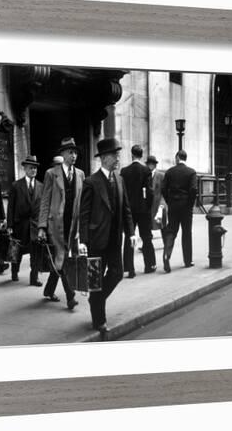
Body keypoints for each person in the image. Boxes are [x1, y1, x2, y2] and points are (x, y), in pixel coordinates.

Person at [79, 138, 135, 335]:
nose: (118, 158)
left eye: (118, 154)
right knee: (96, 280)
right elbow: (83, 214)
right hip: (96, 240)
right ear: (104, 158)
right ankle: (99, 321)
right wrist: (83, 241)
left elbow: (126, 208)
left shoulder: (119, 179)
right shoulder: (91, 182)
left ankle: (96, 299)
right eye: (115, 155)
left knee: (117, 273)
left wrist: (131, 233)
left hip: (114, 239)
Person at [38, 137, 83, 310]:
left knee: (62, 257)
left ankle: (49, 290)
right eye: (70, 152)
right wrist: (42, 226)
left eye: (75, 152)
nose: (74, 155)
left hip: (72, 225)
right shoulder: (51, 173)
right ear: (63, 154)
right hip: (55, 225)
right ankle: (70, 296)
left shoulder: (80, 174)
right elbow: (45, 201)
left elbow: (80, 202)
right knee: (62, 258)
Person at [7, 155, 43, 286]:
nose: (33, 170)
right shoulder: (16, 186)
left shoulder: (41, 186)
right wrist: (10, 224)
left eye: (35, 168)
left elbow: (43, 208)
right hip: (20, 224)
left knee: (36, 253)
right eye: (31, 168)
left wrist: (43, 225)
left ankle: (34, 278)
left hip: (35, 225)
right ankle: (14, 271)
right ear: (25, 169)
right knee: (18, 250)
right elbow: (10, 207)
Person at [161, 150, 198, 273]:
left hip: (173, 205)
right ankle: (188, 261)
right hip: (186, 206)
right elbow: (193, 189)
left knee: (172, 230)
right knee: (186, 232)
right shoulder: (191, 172)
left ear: (177, 158)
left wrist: (169, 200)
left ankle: (167, 255)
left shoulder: (170, 172)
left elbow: (163, 188)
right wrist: (190, 204)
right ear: (185, 158)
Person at [120, 145, 154, 277]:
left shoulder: (124, 171)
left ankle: (129, 268)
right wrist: (148, 207)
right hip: (143, 209)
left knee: (129, 238)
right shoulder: (146, 171)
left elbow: (122, 192)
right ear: (142, 155)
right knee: (146, 237)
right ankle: (149, 265)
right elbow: (150, 192)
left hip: (129, 209)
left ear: (131, 154)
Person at [146, 155, 168, 270]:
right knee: (147, 232)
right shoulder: (146, 175)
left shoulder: (160, 175)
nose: (149, 166)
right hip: (149, 208)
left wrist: (163, 206)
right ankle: (149, 251)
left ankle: (166, 255)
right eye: (147, 164)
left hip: (160, 206)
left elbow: (164, 192)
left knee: (163, 230)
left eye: (150, 164)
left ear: (154, 165)